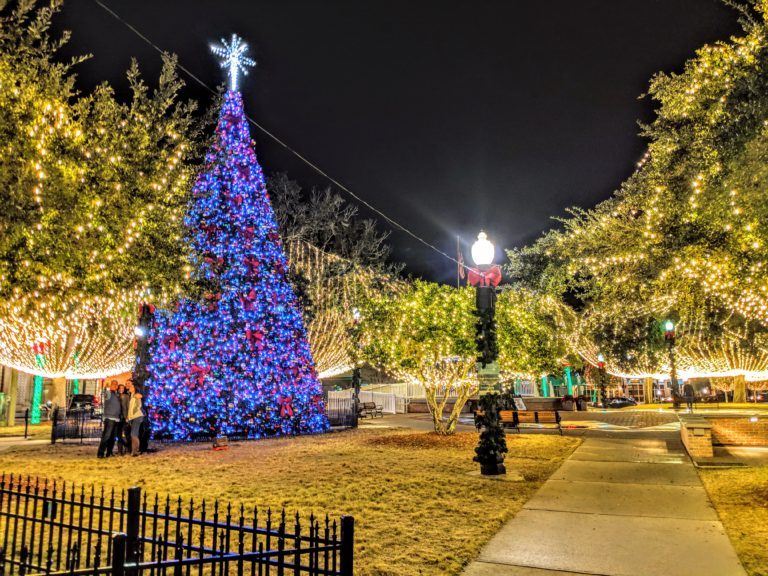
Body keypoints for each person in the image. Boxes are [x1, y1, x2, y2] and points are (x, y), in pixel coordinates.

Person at [97, 380, 121, 458]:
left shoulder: (117, 394)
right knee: (106, 436)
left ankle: (109, 452)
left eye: (116, 384)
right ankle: (101, 453)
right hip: (109, 418)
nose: (115, 386)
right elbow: (104, 394)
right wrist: (105, 388)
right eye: (113, 384)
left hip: (116, 418)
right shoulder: (109, 393)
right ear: (110, 385)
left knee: (112, 437)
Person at [126, 384, 145, 457]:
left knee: (133, 434)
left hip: (137, 416)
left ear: (135, 388)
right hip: (133, 417)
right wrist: (128, 416)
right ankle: (134, 451)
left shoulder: (136, 395)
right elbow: (130, 408)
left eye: (131, 387)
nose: (130, 388)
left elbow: (140, 396)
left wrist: (138, 395)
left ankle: (136, 451)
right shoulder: (131, 395)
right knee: (134, 434)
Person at [117, 383, 131, 455]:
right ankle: (120, 451)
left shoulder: (126, 396)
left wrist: (128, 416)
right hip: (117, 417)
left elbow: (128, 407)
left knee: (126, 434)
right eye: (120, 388)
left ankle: (128, 449)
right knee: (119, 435)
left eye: (122, 388)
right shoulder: (116, 396)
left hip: (124, 417)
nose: (121, 389)